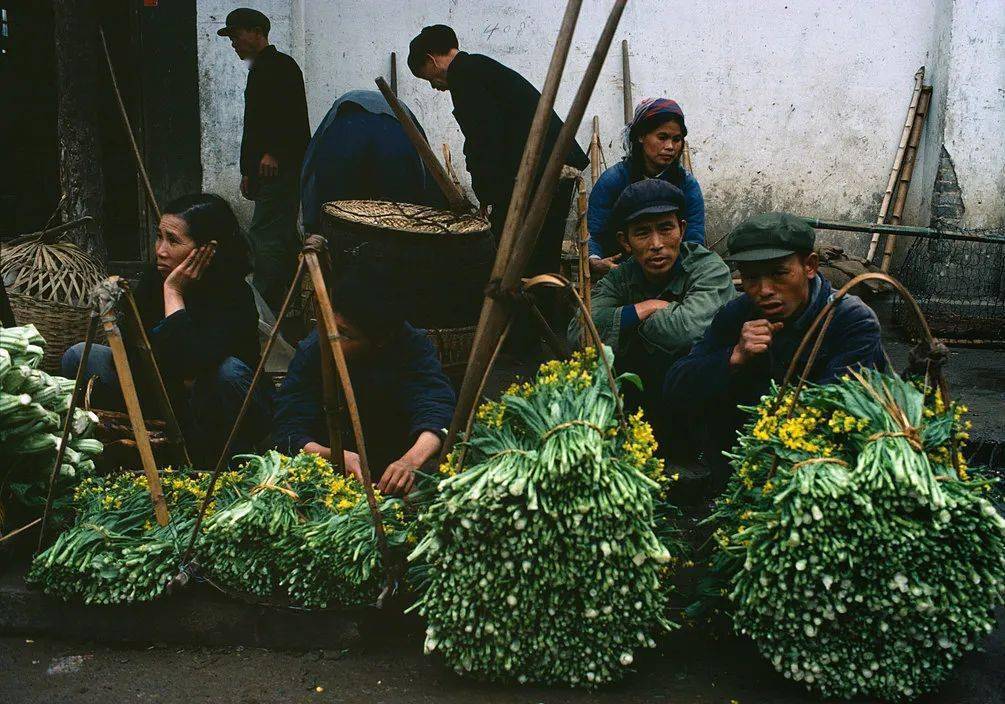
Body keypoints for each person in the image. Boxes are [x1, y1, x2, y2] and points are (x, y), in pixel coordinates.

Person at [663, 212, 886, 485]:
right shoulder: (737, 314)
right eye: (751, 278)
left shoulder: (850, 319)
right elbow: (676, 384)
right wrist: (733, 358)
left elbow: (837, 413)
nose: (764, 290)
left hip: (830, 466)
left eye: (779, 273)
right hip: (753, 461)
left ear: (810, 266)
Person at [62, 194, 272, 466]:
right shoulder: (154, 279)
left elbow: (194, 363)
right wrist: (169, 362)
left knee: (226, 372)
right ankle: (109, 444)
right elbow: (131, 349)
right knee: (80, 356)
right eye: (159, 237)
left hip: (216, 404)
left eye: (173, 241)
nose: (160, 250)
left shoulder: (234, 295)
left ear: (207, 250)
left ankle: (227, 460)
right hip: (164, 388)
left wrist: (174, 293)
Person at [567, 180, 734, 459]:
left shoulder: (708, 269)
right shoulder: (622, 277)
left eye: (665, 229)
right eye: (642, 233)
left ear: (681, 229)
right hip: (645, 403)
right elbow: (579, 334)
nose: (656, 244)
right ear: (625, 242)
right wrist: (644, 308)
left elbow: (688, 331)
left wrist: (626, 326)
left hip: (702, 401)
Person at [407, 24, 589, 277]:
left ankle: (528, 313)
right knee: (539, 252)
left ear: (431, 60)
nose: (435, 87)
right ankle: (543, 310)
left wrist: (488, 194)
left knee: (519, 256)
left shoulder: (464, 76)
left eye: (428, 78)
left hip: (542, 170)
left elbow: (484, 140)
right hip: (551, 163)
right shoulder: (479, 67)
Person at [273, 263, 456, 495]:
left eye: (346, 334)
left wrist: (409, 461)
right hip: (333, 461)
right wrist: (333, 455)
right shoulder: (315, 349)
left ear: (381, 339)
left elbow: (436, 405)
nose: (332, 339)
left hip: (391, 455)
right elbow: (288, 426)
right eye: (331, 326)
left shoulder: (409, 345)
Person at [218, 8, 310, 314]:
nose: (233, 42)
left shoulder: (281, 66)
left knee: (265, 236)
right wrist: (248, 172)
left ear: (257, 32)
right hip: (265, 170)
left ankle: (262, 311)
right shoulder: (261, 68)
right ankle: (287, 304)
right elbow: (254, 125)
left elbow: (291, 119)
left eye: (236, 34)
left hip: (279, 168)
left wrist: (275, 153)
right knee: (278, 234)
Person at [588, 98, 706, 279]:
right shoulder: (613, 181)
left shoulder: (687, 185)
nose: (670, 147)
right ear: (641, 136)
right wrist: (595, 261)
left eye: (677, 139)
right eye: (662, 137)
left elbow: (694, 239)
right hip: (621, 274)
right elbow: (594, 234)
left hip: (672, 272)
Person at [300, 90, 445, 234]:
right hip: (393, 144)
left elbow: (313, 169)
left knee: (338, 213)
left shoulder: (337, 122)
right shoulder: (403, 120)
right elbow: (426, 173)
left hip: (345, 143)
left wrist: (312, 225)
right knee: (402, 213)